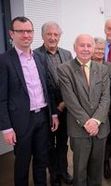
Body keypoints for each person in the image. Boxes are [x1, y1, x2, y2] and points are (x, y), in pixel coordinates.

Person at [0, 16, 59, 186]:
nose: (26, 35)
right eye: (21, 31)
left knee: (42, 160)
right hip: (21, 122)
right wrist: (6, 128)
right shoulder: (4, 61)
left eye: (29, 31)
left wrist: (53, 113)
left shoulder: (40, 58)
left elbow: (47, 88)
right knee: (22, 163)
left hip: (42, 117)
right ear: (12, 34)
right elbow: (2, 98)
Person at [57, 34, 110, 186]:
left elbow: (105, 98)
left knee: (96, 170)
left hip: (100, 128)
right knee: (79, 170)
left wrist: (96, 121)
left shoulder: (102, 69)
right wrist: (87, 122)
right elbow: (70, 100)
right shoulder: (64, 69)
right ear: (75, 48)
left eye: (89, 45)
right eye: (82, 45)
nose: (86, 49)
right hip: (79, 128)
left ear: (94, 48)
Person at [35, 21, 73, 186]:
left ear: (59, 36)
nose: (52, 37)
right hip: (47, 108)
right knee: (49, 144)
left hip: (66, 106)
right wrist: (54, 107)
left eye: (55, 34)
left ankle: (63, 171)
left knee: (63, 143)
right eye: (49, 34)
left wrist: (64, 102)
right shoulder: (35, 55)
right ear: (42, 36)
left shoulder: (67, 54)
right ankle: (54, 174)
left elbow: (72, 80)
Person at [93, 37, 111, 179]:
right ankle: (95, 164)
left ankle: (105, 162)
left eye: (102, 49)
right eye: (97, 48)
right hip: (92, 111)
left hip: (109, 110)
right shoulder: (87, 65)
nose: (100, 51)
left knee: (108, 138)